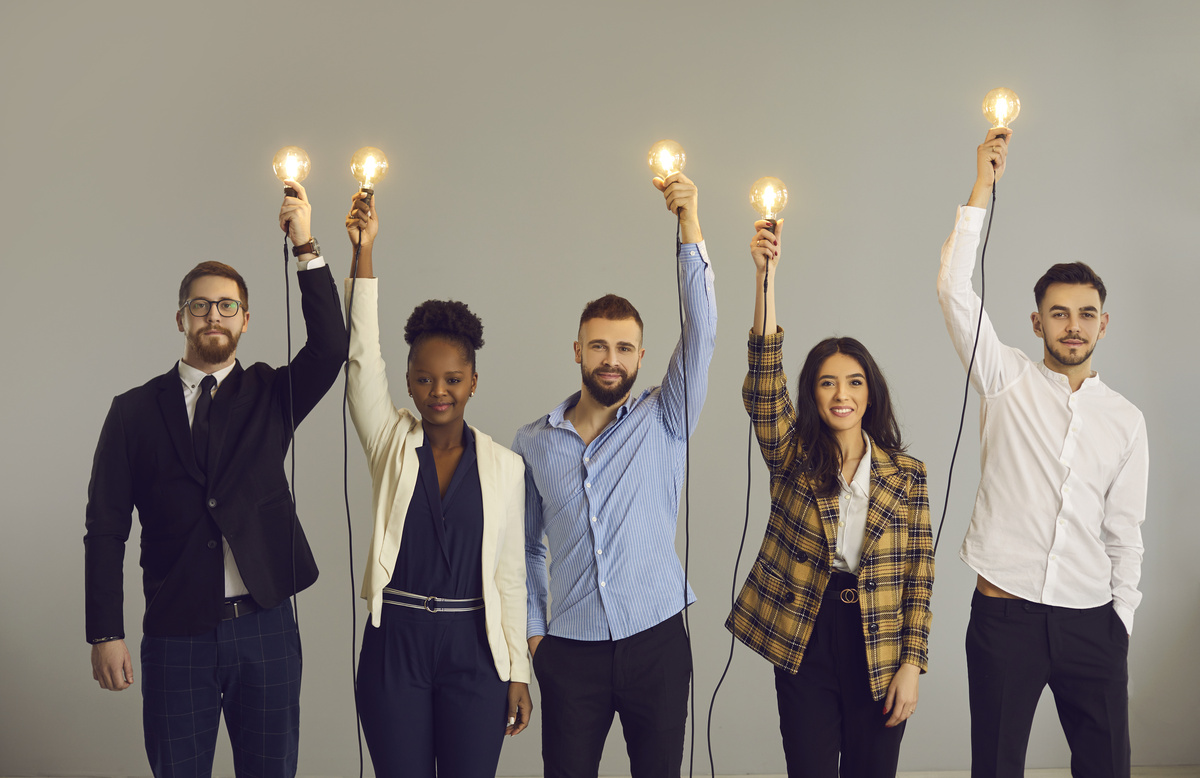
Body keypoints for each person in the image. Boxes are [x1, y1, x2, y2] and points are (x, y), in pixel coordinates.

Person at [84, 180, 346, 777]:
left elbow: (331, 346)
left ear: (246, 320)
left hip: (266, 627)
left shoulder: (271, 394)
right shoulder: (132, 411)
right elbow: (104, 530)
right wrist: (105, 632)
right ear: (180, 317)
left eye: (227, 306)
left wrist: (305, 243)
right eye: (200, 306)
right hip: (177, 634)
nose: (213, 316)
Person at [937, 129, 1148, 778]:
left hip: (1092, 620)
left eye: (1086, 313)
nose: (1073, 325)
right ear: (1037, 323)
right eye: (1059, 313)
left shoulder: (1125, 420)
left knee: (1105, 767)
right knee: (996, 767)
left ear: (1103, 323)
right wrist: (982, 187)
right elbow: (953, 287)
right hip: (1007, 616)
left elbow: (1125, 531)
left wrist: (1122, 622)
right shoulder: (1004, 378)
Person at [513, 171, 716, 777]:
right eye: (599, 346)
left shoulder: (666, 416)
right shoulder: (533, 441)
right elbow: (524, 545)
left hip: (656, 639)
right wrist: (533, 634)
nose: (611, 359)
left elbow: (702, 330)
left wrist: (690, 225)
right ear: (577, 349)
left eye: (624, 348)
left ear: (641, 357)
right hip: (569, 651)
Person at [726, 220, 935, 777]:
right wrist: (765, 279)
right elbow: (764, 382)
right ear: (812, 393)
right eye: (826, 382)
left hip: (880, 640)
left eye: (854, 382)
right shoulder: (792, 457)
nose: (841, 394)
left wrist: (912, 664)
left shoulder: (907, 476)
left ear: (871, 392)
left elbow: (920, 577)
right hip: (807, 634)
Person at [342, 192, 531, 778]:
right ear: (408, 382)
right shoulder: (390, 443)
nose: (438, 391)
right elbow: (360, 357)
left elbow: (510, 576)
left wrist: (518, 670)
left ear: (474, 380)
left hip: (474, 647)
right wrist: (364, 252)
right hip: (394, 641)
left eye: (452, 378)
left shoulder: (504, 466)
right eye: (424, 379)